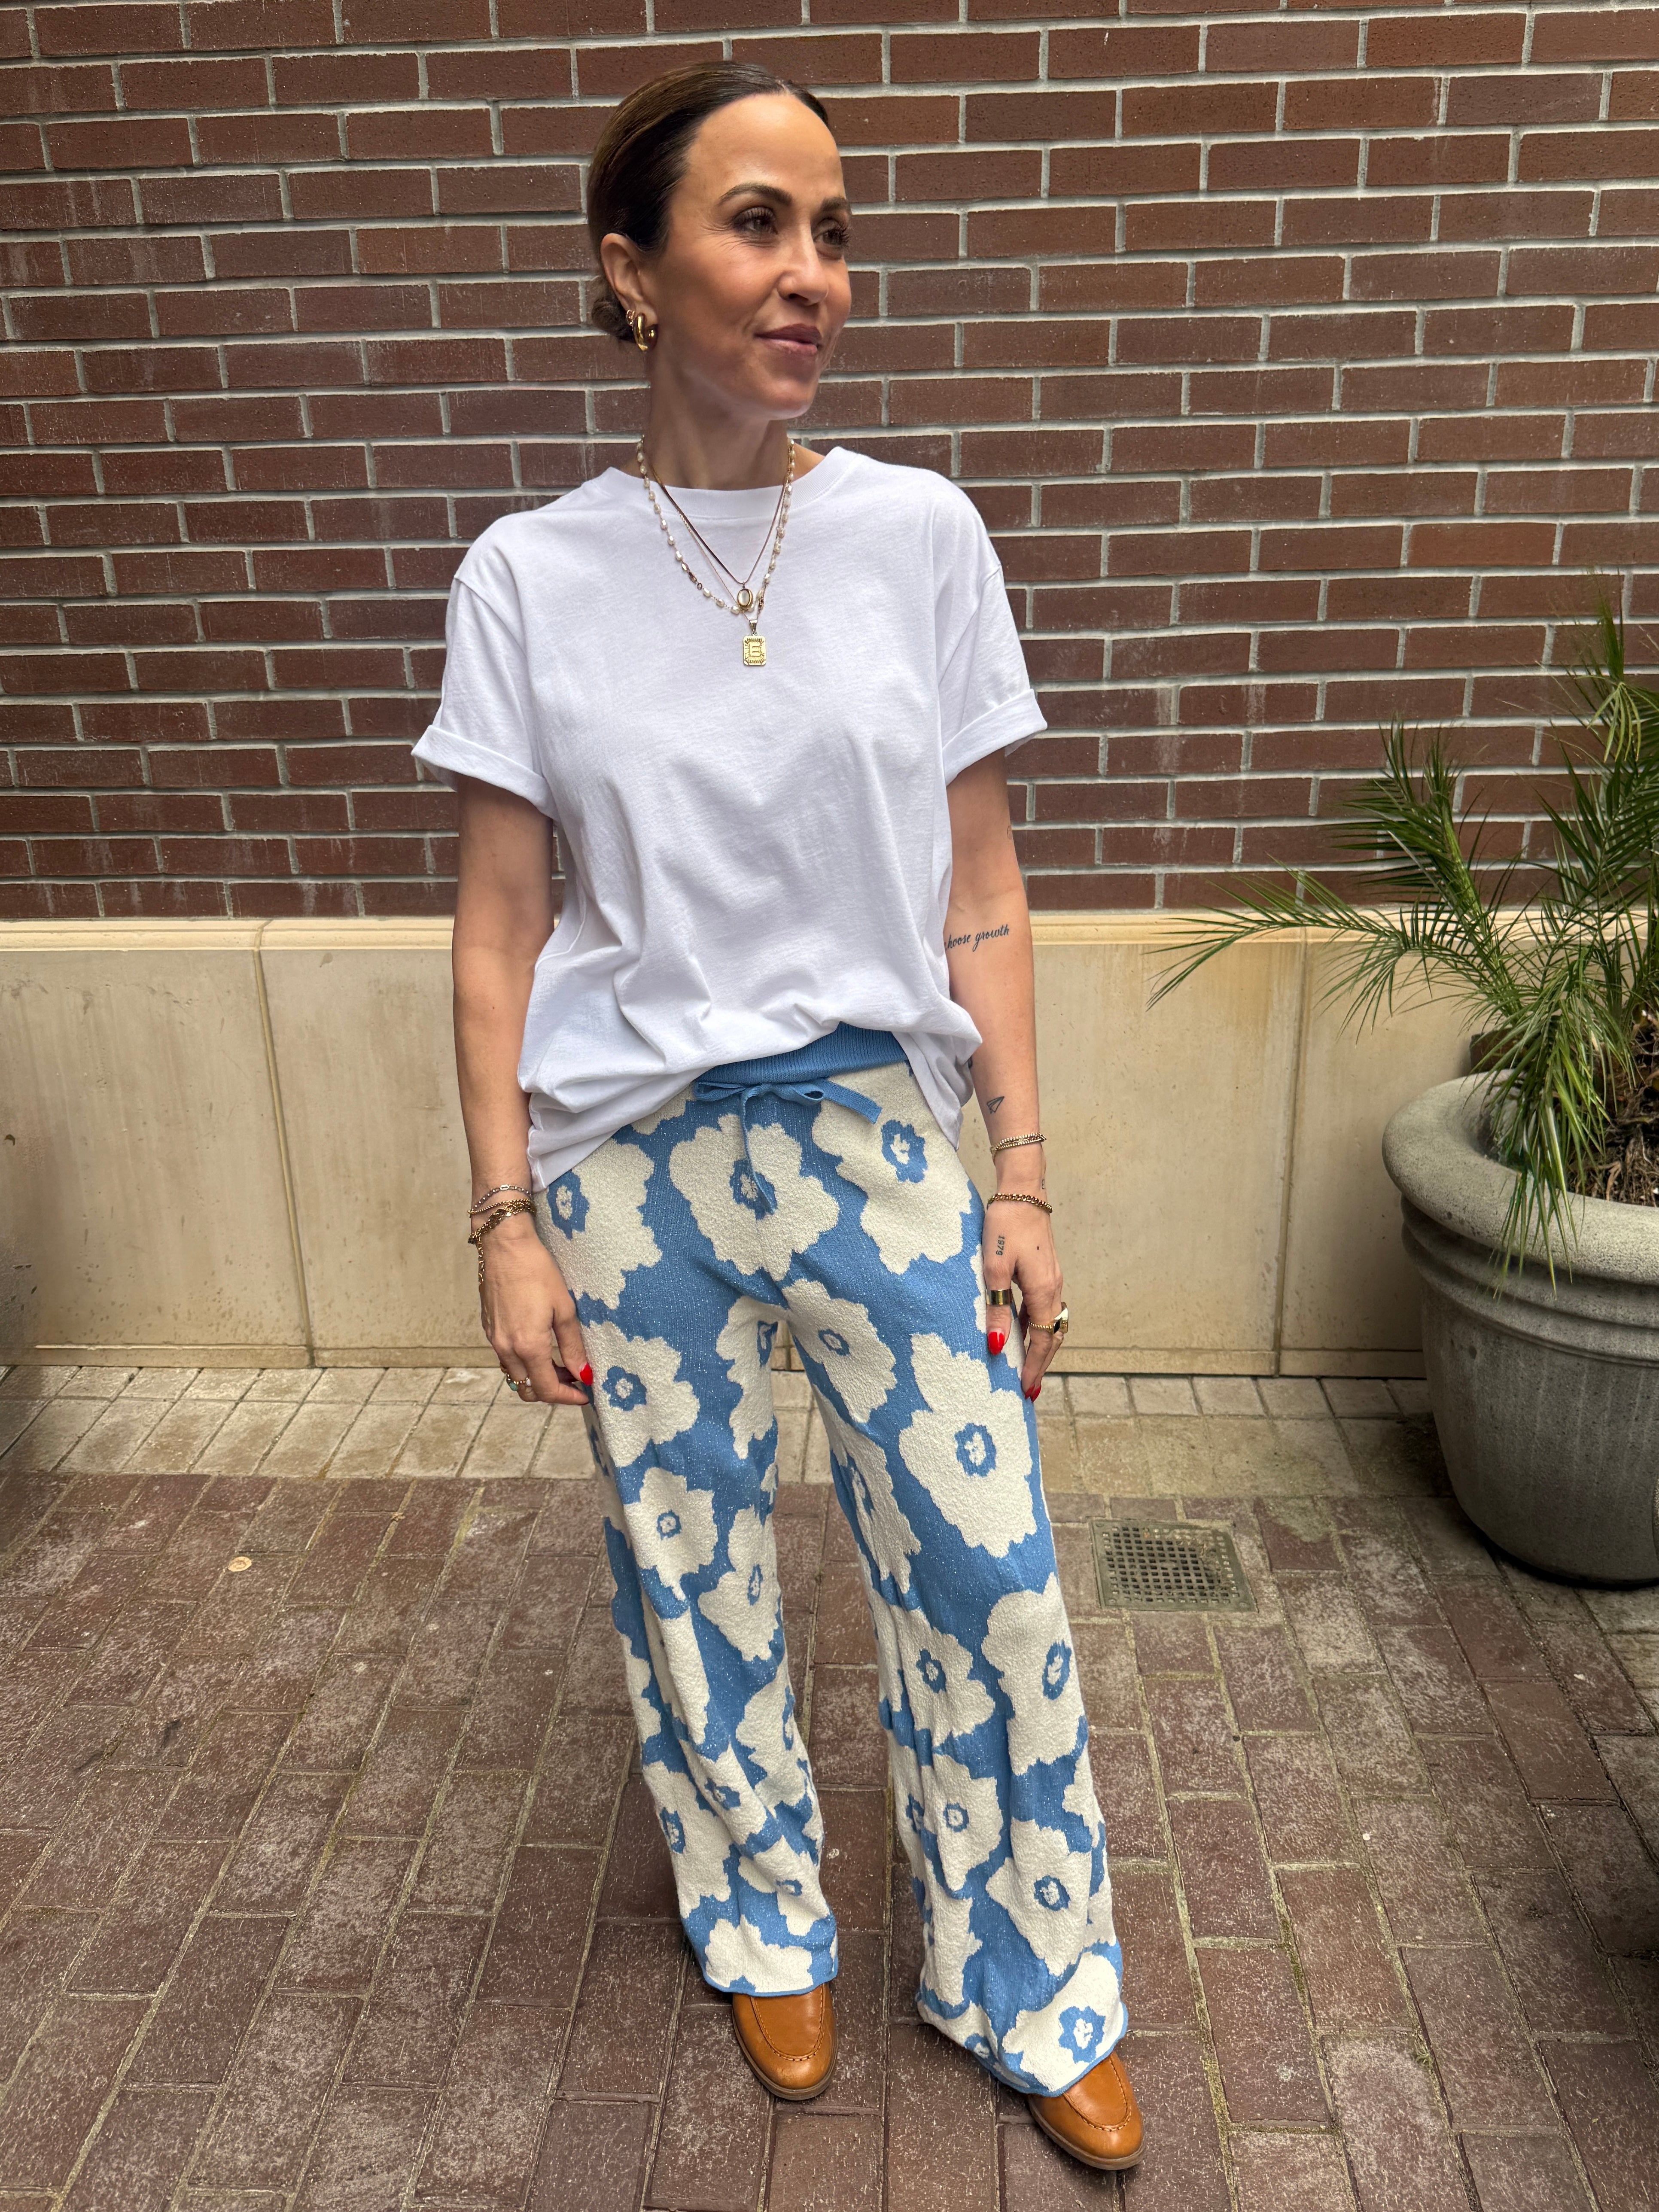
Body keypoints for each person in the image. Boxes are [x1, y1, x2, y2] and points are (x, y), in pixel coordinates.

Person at [412, 60, 1142, 2175]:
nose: (811, 272)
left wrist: (1019, 1170)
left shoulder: (918, 534)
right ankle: (762, 1917)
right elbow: (499, 929)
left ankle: (1033, 1974)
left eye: (831, 228)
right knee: (685, 1566)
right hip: (628, 1158)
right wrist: (506, 1221)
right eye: (757, 223)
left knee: (990, 1572)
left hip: (878, 1124)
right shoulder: (530, 577)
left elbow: (980, 886)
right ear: (632, 276)